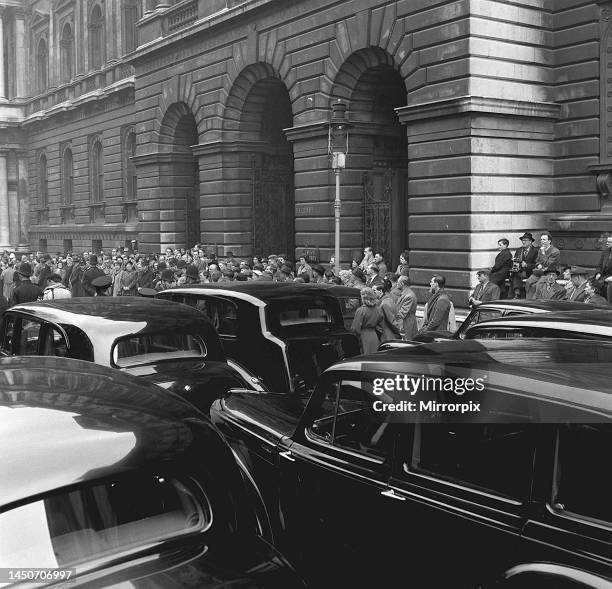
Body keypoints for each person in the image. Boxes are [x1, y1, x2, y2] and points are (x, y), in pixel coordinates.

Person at [525, 232, 561, 299]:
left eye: (544, 239)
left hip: (550, 273)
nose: (542, 241)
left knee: (539, 285)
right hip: (540, 271)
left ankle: (537, 302)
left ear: (549, 241)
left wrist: (543, 253)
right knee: (528, 282)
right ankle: (529, 300)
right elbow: (537, 261)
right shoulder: (540, 250)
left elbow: (548, 264)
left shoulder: (555, 251)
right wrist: (538, 265)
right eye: (541, 239)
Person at [350, 287, 383, 354]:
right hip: (374, 336)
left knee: (365, 357)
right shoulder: (378, 309)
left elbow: (355, 328)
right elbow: (381, 325)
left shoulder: (361, 310)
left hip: (364, 336)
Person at [511, 232, 538, 298]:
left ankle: (517, 294)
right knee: (514, 274)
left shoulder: (535, 251)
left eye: (525, 240)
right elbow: (515, 261)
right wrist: (514, 262)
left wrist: (527, 265)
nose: (523, 242)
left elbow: (536, 265)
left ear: (530, 241)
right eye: (522, 240)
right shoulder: (519, 250)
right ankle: (517, 293)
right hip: (519, 271)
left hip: (529, 272)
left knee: (515, 275)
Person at [375, 278, 400, 343]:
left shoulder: (385, 303)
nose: (373, 293)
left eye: (374, 291)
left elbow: (392, 321)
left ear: (380, 291)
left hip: (387, 336)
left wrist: (398, 332)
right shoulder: (387, 300)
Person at [394, 276, 418, 341]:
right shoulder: (405, 293)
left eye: (398, 282)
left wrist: (392, 319)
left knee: (407, 345)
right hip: (405, 323)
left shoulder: (409, 295)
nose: (396, 283)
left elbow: (402, 313)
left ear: (402, 283)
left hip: (407, 324)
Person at [595, 235, 612, 304]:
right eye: (607, 241)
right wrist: (598, 273)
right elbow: (599, 265)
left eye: (609, 242)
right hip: (602, 278)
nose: (606, 243)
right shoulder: (605, 252)